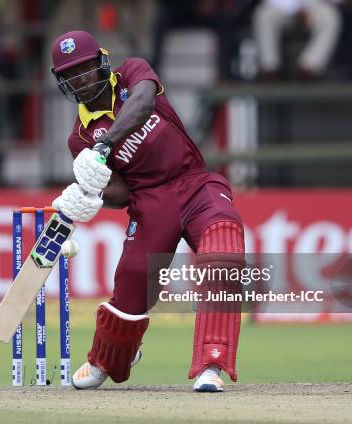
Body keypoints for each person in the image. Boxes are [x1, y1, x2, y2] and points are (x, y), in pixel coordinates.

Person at [50, 31, 245, 392]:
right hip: (151, 202)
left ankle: (211, 364)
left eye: (85, 69)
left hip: (195, 182)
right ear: (62, 82)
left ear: (101, 64)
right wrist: (93, 191)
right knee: (134, 275)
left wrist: (104, 146)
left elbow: (141, 105)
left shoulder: (132, 74)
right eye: (71, 75)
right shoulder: (79, 138)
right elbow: (120, 193)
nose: (80, 79)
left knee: (223, 246)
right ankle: (107, 358)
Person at [253, 0, 341, 79]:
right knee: (264, 15)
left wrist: (306, 8)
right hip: (281, 7)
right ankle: (270, 68)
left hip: (313, 7)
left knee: (330, 17)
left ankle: (310, 67)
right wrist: (293, 9)